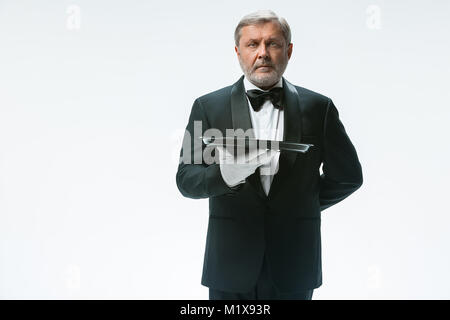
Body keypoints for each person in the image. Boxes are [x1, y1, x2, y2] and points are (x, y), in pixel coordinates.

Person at [176, 10, 363, 300]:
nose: (262, 53)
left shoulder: (320, 107)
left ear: (289, 50)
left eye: (273, 44)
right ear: (238, 52)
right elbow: (186, 179)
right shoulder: (205, 106)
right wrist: (224, 175)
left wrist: (301, 204)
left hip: (295, 263)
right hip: (229, 264)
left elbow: (349, 176)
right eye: (253, 44)